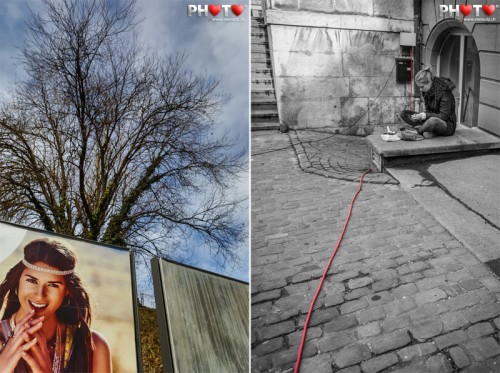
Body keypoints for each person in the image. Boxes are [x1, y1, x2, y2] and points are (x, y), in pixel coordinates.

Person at [0, 238, 111, 372]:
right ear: (18, 280)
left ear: (67, 291)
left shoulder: (93, 347)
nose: (40, 295)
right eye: (31, 280)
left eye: (53, 285)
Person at [400, 67, 457, 139]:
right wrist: (419, 117)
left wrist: (424, 116)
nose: (420, 90)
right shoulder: (426, 92)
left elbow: (444, 116)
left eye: (422, 87)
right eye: (419, 87)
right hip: (430, 120)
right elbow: (428, 110)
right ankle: (428, 130)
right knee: (404, 113)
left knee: (432, 121)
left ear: (429, 82)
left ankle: (418, 131)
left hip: (446, 125)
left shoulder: (445, 92)